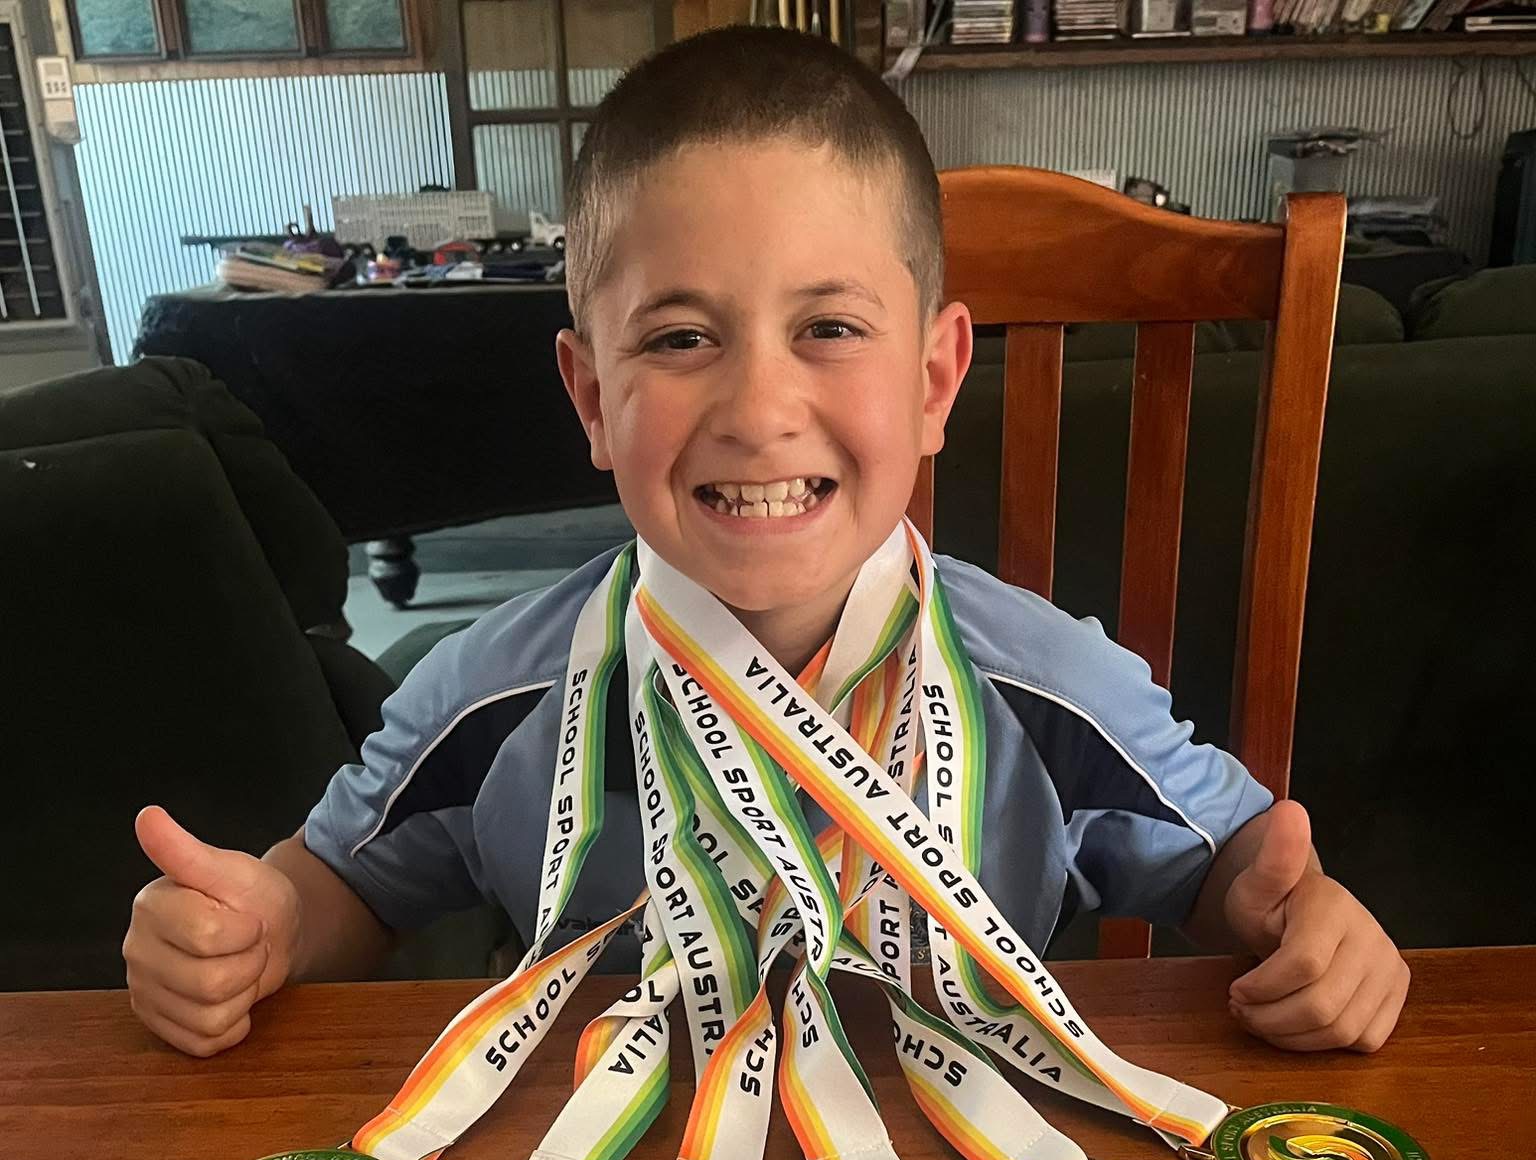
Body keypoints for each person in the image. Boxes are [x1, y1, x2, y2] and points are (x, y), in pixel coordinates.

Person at [122, 26, 1408, 1064]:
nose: (755, 408)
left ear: (935, 375)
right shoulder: (491, 691)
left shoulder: (1049, 683)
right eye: (681, 338)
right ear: (588, 397)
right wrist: (264, 926)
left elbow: (1237, 861)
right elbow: (343, 879)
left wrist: (1301, 918)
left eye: (831, 328)